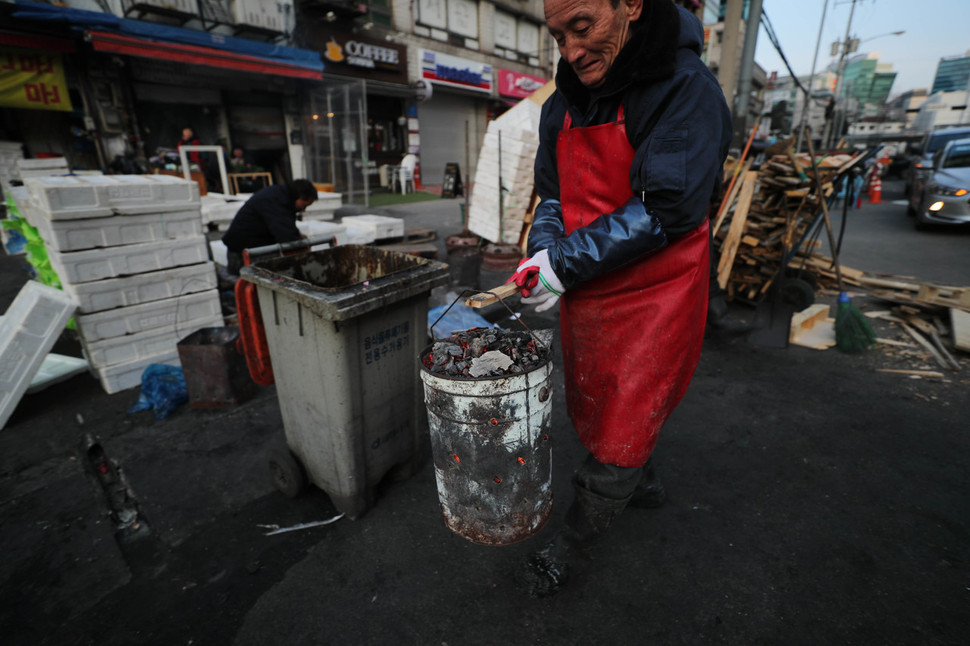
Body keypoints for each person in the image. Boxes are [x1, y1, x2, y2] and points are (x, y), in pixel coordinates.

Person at [507, 0, 731, 597]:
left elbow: (668, 208)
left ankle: (573, 544)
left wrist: (566, 262)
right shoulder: (563, 104)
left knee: (627, 412)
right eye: (558, 37)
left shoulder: (686, 89)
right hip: (591, 288)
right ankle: (645, 481)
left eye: (583, 27)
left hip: (659, 291)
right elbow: (552, 196)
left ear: (631, 5)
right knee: (598, 398)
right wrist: (545, 252)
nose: (571, 52)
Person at [221, 180, 317, 275]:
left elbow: (286, 226)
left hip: (253, 247)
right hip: (242, 255)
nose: (303, 209)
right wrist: (303, 249)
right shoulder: (276, 200)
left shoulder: (281, 196)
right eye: (305, 205)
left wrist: (299, 238)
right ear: (300, 196)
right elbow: (286, 236)